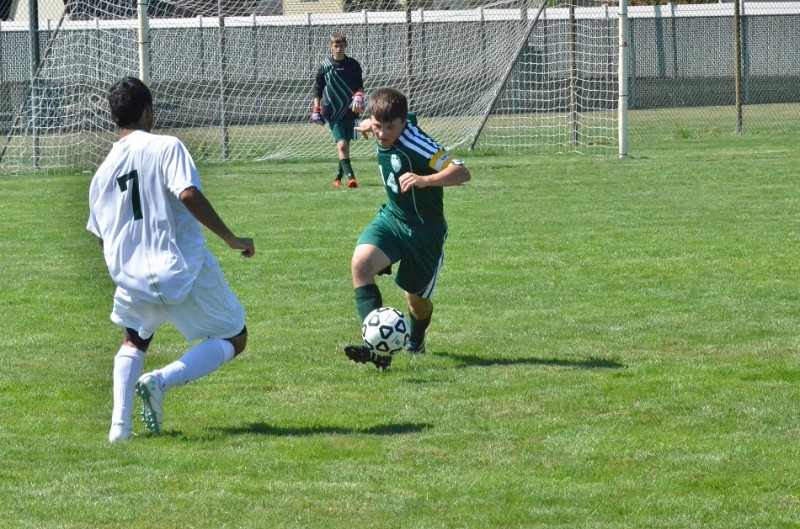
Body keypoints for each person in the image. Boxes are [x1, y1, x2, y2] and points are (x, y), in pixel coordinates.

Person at [87, 77, 255, 443]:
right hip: (182, 269)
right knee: (235, 337)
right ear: (148, 112)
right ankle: (160, 381)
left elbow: (102, 237)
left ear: (112, 116)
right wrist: (231, 238)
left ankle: (119, 429)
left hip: (132, 276)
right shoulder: (167, 146)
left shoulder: (100, 176)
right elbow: (189, 194)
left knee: (134, 339)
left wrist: (126, 272)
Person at [343, 87, 471, 369]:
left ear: (403, 124)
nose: (383, 134)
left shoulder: (418, 144)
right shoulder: (380, 126)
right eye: (378, 126)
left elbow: (462, 171)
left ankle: (416, 338)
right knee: (361, 264)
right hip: (392, 218)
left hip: (424, 231)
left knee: (416, 302)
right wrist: (367, 124)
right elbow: (382, 121)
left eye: (391, 127)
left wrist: (425, 180)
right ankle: (378, 350)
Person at [312, 33, 364, 188]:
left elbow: (360, 85)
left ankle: (337, 178)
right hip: (332, 112)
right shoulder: (325, 65)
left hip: (350, 110)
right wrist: (316, 109)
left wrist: (359, 96)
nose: (338, 49)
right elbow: (317, 89)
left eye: (341, 45)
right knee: (341, 145)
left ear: (345, 46)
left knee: (345, 146)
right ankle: (351, 179)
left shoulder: (354, 64)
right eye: (335, 46)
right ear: (331, 47)